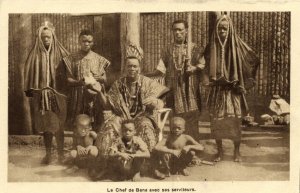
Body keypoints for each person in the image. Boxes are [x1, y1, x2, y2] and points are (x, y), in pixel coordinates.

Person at [90, 45, 169, 179]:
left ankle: (152, 167)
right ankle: (104, 167)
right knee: (109, 127)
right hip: (122, 117)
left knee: (146, 126)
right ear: (125, 68)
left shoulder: (147, 82)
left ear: (139, 68)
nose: (132, 69)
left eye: (135, 66)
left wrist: (155, 103)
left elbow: (162, 97)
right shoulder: (118, 84)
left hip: (141, 116)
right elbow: (107, 105)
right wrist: (99, 92)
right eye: (129, 66)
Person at [206, 14, 259, 162]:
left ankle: (237, 153)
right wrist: (208, 79)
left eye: (225, 29)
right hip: (217, 90)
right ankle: (220, 153)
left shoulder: (237, 45)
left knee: (235, 123)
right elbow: (203, 64)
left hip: (233, 90)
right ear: (216, 31)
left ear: (230, 30)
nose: (222, 32)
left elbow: (253, 58)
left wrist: (244, 79)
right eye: (220, 29)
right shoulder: (211, 47)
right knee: (216, 124)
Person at [148, 20, 206, 140]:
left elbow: (203, 65)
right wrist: (144, 74)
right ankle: (175, 149)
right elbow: (160, 70)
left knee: (192, 122)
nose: (178, 32)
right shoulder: (167, 50)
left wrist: (194, 68)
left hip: (191, 92)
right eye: (175, 30)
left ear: (186, 31)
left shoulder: (195, 48)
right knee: (175, 123)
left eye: (180, 29)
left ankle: (193, 151)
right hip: (173, 92)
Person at [24, 22, 69, 164]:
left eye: (48, 37)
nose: (46, 40)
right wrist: (34, 92)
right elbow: (29, 73)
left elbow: (69, 71)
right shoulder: (34, 55)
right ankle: (48, 154)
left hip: (58, 95)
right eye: (43, 37)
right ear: (39, 38)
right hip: (41, 95)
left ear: (53, 37)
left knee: (59, 126)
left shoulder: (62, 54)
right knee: (46, 127)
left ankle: (61, 154)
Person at [63, 29, 110, 129]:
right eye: (84, 41)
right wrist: (79, 82)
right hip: (78, 96)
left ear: (93, 43)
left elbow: (105, 79)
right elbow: (68, 80)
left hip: (95, 95)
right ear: (79, 42)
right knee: (78, 124)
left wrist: (100, 78)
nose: (86, 44)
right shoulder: (71, 58)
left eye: (89, 41)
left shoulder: (99, 59)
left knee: (95, 124)